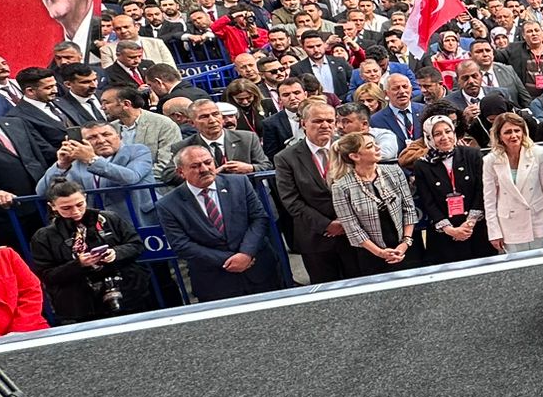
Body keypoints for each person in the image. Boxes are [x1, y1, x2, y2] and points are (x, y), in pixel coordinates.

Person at [157, 144, 283, 301]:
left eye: (208, 162)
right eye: (195, 166)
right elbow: (181, 244)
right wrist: (228, 261)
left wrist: (245, 254)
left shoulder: (240, 183)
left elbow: (259, 218)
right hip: (215, 282)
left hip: (259, 271)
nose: (204, 169)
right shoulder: (168, 204)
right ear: (180, 172)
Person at [28, 182, 155, 323]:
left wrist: (116, 253)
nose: (75, 212)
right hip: (80, 306)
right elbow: (46, 275)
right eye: (66, 208)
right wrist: (78, 264)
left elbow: (137, 245)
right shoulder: (44, 236)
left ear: (85, 198)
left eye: (79, 204)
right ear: (53, 207)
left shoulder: (109, 219)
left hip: (128, 293)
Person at [273, 100, 351, 284]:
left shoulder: (348, 149)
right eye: (317, 121)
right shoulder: (286, 158)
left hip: (354, 234)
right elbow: (291, 201)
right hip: (315, 238)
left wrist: (347, 222)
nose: (325, 125)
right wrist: (327, 225)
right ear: (303, 123)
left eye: (330, 121)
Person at [328, 130, 418, 275]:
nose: (378, 148)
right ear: (355, 156)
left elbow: (409, 208)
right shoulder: (341, 187)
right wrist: (380, 253)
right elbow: (353, 228)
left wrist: (405, 243)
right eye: (370, 146)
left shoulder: (395, 171)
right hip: (370, 254)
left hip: (406, 247)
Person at [407, 114, 492, 263]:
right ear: (429, 137)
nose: (444, 137)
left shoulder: (472, 154)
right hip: (444, 235)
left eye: (448, 131)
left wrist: (470, 223)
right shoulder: (422, 165)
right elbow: (428, 202)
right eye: (438, 134)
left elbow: (481, 190)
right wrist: (450, 229)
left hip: (476, 229)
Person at [481, 110, 543, 252]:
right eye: (508, 132)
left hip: (538, 220)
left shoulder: (538, 153)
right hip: (509, 226)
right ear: (499, 135)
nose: (513, 135)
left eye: (517, 130)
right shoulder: (490, 161)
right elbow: (490, 200)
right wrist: (494, 232)